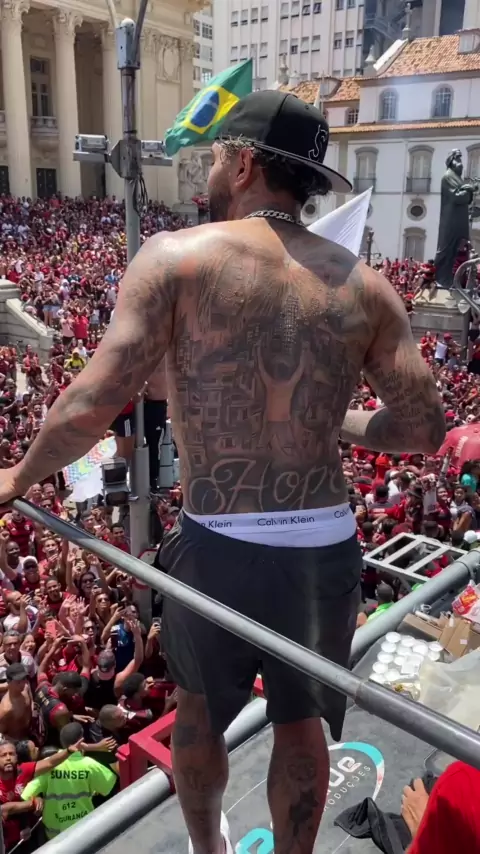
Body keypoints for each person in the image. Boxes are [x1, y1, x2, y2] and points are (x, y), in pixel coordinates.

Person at [0, 90, 445, 854]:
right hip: (324, 544)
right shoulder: (366, 285)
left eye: (213, 158)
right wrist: (324, 416)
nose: (207, 171)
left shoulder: (176, 258)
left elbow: (91, 403)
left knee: (200, 714)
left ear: (243, 165)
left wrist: (18, 474)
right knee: (301, 724)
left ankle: (208, 850)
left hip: (221, 543)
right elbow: (423, 429)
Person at [21, 721, 117, 838]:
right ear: (82, 741)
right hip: (84, 828)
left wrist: (37, 798)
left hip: (54, 835)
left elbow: (26, 794)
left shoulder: (48, 766)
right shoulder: (90, 765)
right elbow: (108, 787)